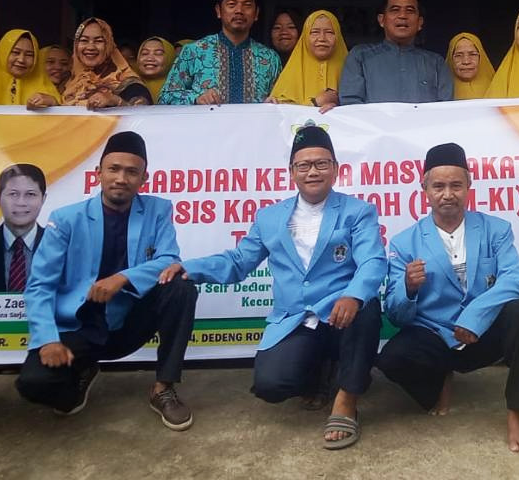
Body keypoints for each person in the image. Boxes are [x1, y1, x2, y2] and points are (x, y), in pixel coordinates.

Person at [159, 125, 386, 450]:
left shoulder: (357, 212)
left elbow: (373, 261)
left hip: (343, 316)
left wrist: (353, 294)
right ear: (291, 172)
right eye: (304, 165)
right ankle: (326, 370)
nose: (312, 172)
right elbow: (239, 261)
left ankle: (346, 401)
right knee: (271, 385)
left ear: (336, 169)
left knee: (367, 305)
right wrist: (192, 268)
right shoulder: (270, 218)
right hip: (297, 319)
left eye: (321, 163)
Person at [15, 132, 199, 431]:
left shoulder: (157, 210)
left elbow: (169, 258)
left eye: (132, 172)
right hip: (79, 326)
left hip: (129, 322)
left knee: (181, 286)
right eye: (113, 169)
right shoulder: (66, 219)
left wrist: (122, 278)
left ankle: (163, 387)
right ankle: (82, 372)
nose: (121, 178)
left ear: (144, 178)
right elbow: (39, 286)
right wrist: (47, 339)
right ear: (98, 173)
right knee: (34, 384)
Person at [377, 143, 519, 453]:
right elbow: (396, 315)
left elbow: (515, 281)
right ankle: (439, 380)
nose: (447, 194)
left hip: (483, 333)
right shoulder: (404, 242)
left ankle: (518, 411)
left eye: (456, 185)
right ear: (424, 189)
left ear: (469, 186)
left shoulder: (496, 230)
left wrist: (474, 317)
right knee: (391, 359)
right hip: (436, 336)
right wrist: (409, 288)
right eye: (438, 186)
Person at [158, 0, 281, 105]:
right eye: (232, 4)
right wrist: (196, 98)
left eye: (247, 5)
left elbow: (282, 99)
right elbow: (165, 97)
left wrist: (274, 102)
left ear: (256, 14)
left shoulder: (270, 58)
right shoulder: (194, 51)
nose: (239, 11)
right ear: (218, 11)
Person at [338, 0, 453, 104]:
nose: (402, 15)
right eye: (395, 10)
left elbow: (445, 108)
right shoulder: (360, 56)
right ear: (382, 20)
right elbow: (351, 103)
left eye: (410, 11)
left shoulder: (436, 63)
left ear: (420, 22)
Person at [0, 164, 48, 293]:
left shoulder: (59, 246)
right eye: (13, 194)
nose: (21, 202)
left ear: (43, 199)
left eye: (30, 194)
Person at [62, 18, 153, 107]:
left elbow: (142, 107)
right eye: (84, 40)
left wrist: (116, 101)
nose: (90, 47)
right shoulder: (65, 79)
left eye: (99, 41)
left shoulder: (128, 82)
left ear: (108, 45)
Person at [270, 10, 347, 111]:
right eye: (315, 32)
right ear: (305, 37)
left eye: (329, 32)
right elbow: (280, 115)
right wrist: (315, 103)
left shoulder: (352, 71)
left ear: (338, 37)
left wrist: (338, 108)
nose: (322, 38)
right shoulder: (291, 73)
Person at [0, 29, 60, 110]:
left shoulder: (46, 91)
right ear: (2, 53)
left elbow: (63, 122)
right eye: (15, 52)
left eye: (29, 55)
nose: (21, 60)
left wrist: (54, 104)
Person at [446, 33, 495, 100]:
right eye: (458, 55)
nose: (466, 61)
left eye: (473, 54)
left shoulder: (499, 87)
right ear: (450, 59)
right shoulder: (439, 91)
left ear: (481, 58)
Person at [135, 36, 177, 104]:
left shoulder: (179, 90)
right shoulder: (126, 86)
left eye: (158, 54)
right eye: (145, 53)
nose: (149, 58)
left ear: (170, 58)